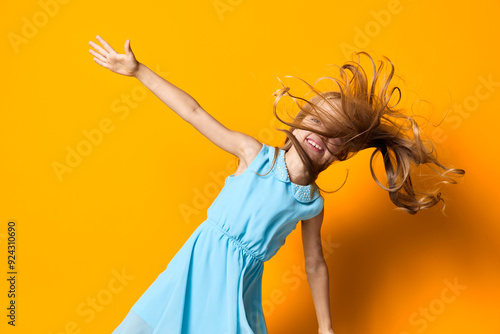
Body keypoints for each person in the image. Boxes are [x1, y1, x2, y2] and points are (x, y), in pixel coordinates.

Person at [88, 35, 465, 334]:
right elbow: (193, 112)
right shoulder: (253, 155)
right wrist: (139, 71)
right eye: (318, 121)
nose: (322, 135)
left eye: (337, 137)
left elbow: (315, 265)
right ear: (299, 119)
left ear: (344, 153)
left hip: (236, 290)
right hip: (195, 268)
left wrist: (325, 326)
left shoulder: (311, 203)